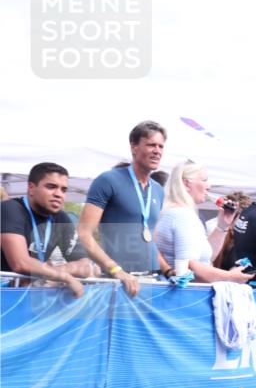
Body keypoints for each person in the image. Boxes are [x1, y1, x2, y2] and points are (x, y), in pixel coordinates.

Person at [78, 121, 170, 297]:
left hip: (152, 281)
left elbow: (148, 239)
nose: (157, 151)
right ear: (134, 147)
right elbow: (83, 233)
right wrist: (117, 271)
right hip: (119, 283)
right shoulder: (108, 180)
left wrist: (168, 270)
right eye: (151, 145)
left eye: (161, 146)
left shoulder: (158, 189)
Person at [0, 162, 91, 297]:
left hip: (26, 296)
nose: (59, 194)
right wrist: (64, 276)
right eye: (51, 187)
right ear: (31, 188)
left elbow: (85, 266)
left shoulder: (61, 217)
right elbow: (20, 263)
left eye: (63, 190)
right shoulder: (10, 209)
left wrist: (51, 273)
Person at [155, 160, 252, 284]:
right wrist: (230, 276)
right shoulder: (182, 215)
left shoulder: (180, 213)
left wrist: (222, 226)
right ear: (186, 184)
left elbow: (204, 258)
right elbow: (190, 268)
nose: (209, 186)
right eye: (204, 180)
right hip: (187, 293)